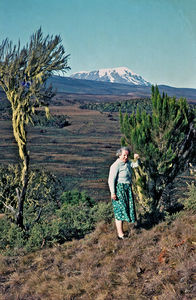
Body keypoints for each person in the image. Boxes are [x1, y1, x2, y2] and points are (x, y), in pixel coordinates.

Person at [108, 147, 140, 240]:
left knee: (125, 210)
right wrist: (113, 193)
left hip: (127, 188)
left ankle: (122, 233)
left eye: (127, 155)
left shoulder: (128, 162)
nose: (125, 157)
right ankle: (120, 234)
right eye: (124, 155)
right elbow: (111, 180)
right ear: (119, 155)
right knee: (119, 211)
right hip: (119, 190)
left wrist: (137, 158)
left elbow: (135, 165)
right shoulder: (116, 165)